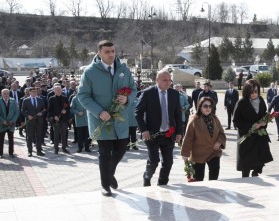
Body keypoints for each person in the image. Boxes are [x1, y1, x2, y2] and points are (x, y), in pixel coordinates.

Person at [77, 40, 137, 197]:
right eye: (107, 52)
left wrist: (128, 99)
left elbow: (133, 89)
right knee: (104, 153)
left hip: (120, 120)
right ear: (99, 53)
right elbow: (83, 96)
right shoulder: (90, 72)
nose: (111, 54)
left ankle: (109, 175)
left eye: (113, 51)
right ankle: (105, 185)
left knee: (122, 148)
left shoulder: (124, 69)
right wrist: (98, 112)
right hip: (101, 120)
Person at [135, 70, 183, 186]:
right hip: (152, 134)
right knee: (154, 161)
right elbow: (138, 113)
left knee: (168, 162)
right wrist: (144, 129)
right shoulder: (147, 93)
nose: (168, 83)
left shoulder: (174, 94)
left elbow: (178, 115)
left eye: (169, 80)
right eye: (164, 80)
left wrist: (179, 132)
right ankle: (147, 177)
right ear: (157, 80)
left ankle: (162, 183)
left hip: (168, 134)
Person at [233, 79, 273, 177]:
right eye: (251, 92)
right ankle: (245, 178)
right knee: (246, 163)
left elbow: (264, 114)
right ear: (246, 91)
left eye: (256, 91)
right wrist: (251, 126)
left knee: (260, 159)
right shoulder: (241, 103)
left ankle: (256, 173)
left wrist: (264, 122)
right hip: (247, 137)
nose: (254, 94)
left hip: (259, 136)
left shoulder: (261, 101)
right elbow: (236, 121)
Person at [181, 96, 226, 182]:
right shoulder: (194, 119)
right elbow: (188, 137)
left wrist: (219, 142)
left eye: (210, 106)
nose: (208, 108)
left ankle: (213, 192)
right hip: (199, 154)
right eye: (205, 106)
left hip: (213, 152)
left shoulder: (215, 119)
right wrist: (185, 154)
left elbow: (221, 133)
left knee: (214, 176)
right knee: (198, 179)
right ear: (200, 106)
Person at [22, 87, 46, 157]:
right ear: (29, 92)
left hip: (39, 121)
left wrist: (41, 113)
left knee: (39, 136)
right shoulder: (25, 100)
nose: (34, 93)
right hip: (30, 121)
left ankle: (39, 151)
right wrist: (27, 116)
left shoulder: (40, 100)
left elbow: (44, 109)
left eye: (35, 91)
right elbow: (23, 111)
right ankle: (30, 151)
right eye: (33, 92)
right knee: (30, 137)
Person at [48, 85, 70, 154]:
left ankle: (64, 148)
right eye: (57, 90)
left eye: (60, 90)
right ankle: (56, 148)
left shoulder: (65, 98)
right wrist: (54, 116)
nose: (59, 91)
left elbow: (68, 107)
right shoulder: (51, 99)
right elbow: (49, 110)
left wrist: (65, 111)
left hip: (64, 119)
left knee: (64, 134)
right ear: (54, 91)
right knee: (56, 135)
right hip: (56, 120)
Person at [0, 88, 20, 158]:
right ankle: (1, 154)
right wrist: (3, 121)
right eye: (4, 93)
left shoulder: (13, 101)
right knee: (1, 139)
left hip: (11, 123)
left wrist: (13, 120)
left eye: (7, 93)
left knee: (11, 139)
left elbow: (17, 112)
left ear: (9, 94)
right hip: (2, 124)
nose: (6, 95)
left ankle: (11, 153)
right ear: (2, 94)